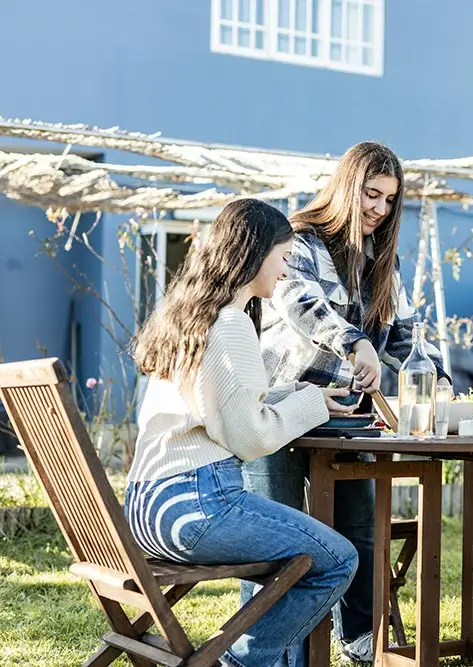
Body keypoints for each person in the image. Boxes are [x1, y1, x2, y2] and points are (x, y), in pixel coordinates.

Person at [125, 198, 361, 667]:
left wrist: (291, 394)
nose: (287, 267)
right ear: (254, 254)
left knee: (304, 553)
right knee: (337, 557)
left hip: (150, 510)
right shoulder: (232, 323)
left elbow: (217, 405)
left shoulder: (191, 318)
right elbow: (249, 439)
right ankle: (242, 660)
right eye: (283, 255)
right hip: (197, 507)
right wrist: (311, 404)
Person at [245, 141, 450, 662]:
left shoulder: (383, 258)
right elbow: (300, 303)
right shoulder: (300, 240)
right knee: (279, 543)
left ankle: (361, 643)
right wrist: (356, 341)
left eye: (389, 200)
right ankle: (263, 652)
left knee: (359, 531)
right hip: (282, 412)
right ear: (347, 186)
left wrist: (441, 380)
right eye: (371, 193)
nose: (379, 208)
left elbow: (405, 335)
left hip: (349, 420)